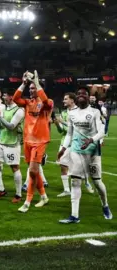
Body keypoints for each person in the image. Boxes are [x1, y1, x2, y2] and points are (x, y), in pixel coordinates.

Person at [58, 87, 112, 223]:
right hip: (77, 150)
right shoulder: (72, 113)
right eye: (79, 94)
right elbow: (69, 133)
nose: (81, 95)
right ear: (76, 98)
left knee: (97, 182)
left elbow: (101, 132)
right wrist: (64, 148)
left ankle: (105, 205)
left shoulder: (95, 112)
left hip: (93, 151)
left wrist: (91, 140)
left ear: (89, 97)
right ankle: (74, 216)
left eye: (84, 94)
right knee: (75, 181)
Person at [13, 71, 51, 213]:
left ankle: (27, 202)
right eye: (30, 89)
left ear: (39, 88)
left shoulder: (48, 103)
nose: (31, 90)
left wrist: (36, 83)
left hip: (40, 141)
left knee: (33, 171)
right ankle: (44, 196)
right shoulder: (27, 103)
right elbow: (16, 98)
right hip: (27, 141)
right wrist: (23, 84)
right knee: (34, 173)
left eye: (33, 88)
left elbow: (46, 102)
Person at [0, 91, 25, 202]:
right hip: (1, 141)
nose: (3, 97)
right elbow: (0, 124)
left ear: (11, 97)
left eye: (5, 95)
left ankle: (18, 195)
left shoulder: (19, 110)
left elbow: (11, 126)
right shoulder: (5, 108)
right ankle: (1, 189)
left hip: (12, 144)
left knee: (14, 168)